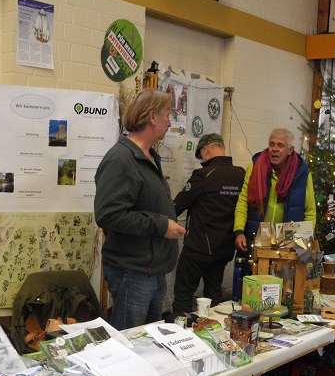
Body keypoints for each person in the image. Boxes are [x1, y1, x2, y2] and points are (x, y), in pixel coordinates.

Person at [94, 88, 186, 330]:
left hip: (152, 272)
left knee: (149, 344)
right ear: (152, 117)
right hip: (133, 273)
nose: (169, 121)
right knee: (129, 345)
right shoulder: (121, 160)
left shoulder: (148, 156)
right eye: (167, 114)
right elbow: (108, 214)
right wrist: (161, 225)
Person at [172, 133, 245, 313]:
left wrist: (160, 220)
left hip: (198, 248)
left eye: (201, 156)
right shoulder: (240, 174)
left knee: (183, 294)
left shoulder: (203, 174)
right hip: (224, 250)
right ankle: (213, 331)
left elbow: (179, 204)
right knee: (214, 296)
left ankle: (179, 331)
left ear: (206, 150)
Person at [233, 128, 316, 253]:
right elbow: (243, 202)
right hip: (255, 239)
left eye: (280, 145)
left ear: (290, 150)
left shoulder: (302, 174)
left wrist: (303, 244)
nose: (274, 149)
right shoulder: (255, 168)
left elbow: (310, 211)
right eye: (272, 144)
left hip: (288, 245)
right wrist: (239, 231)